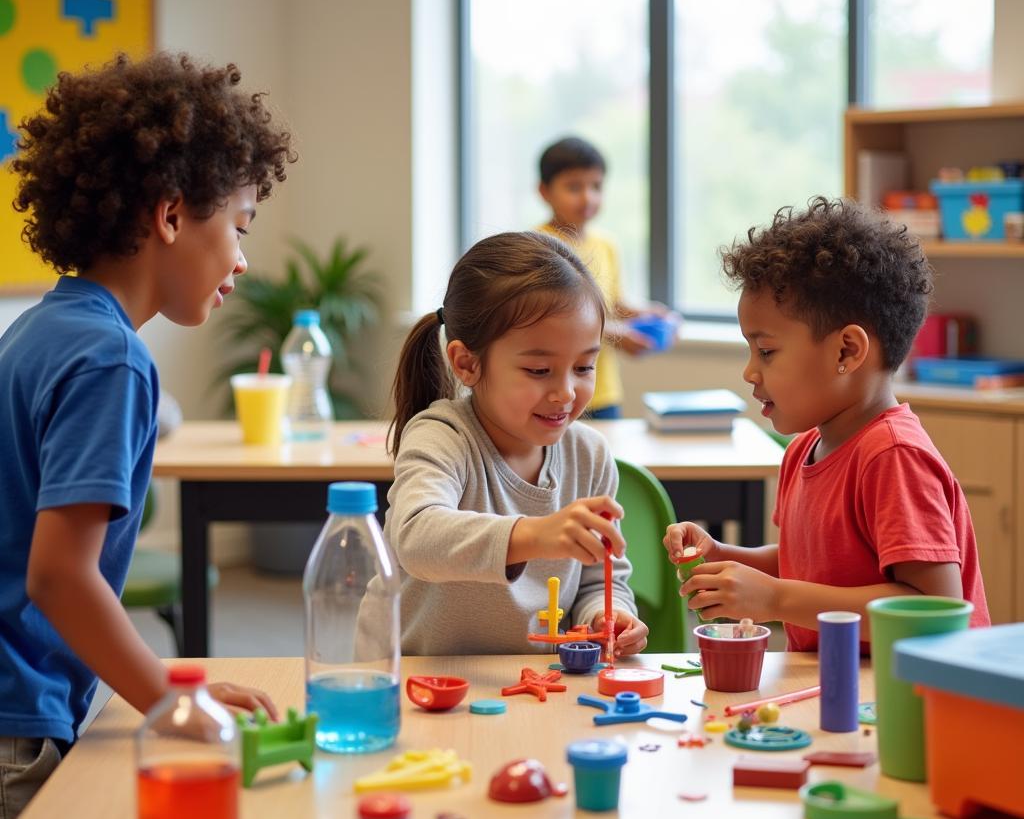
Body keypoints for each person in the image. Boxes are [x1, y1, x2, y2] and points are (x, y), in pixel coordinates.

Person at [0, 52, 295, 819]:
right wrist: (171, 702)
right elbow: (61, 577)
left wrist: (166, 677)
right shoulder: (111, 358)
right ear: (169, 216)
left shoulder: (42, 328)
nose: (241, 259)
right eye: (237, 227)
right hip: (16, 715)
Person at [664, 197, 990, 650]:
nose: (749, 372)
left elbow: (934, 609)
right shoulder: (804, 449)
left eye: (767, 351)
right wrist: (722, 557)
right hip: (846, 695)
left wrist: (776, 599)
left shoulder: (894, 457)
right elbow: (810, 565)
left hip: (913, 704)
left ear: (846, 351)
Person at [367, 230, 649, 657]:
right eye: (539, 370)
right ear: (467, 363)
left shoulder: (589, 456)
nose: (566, 392)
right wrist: (536, 534)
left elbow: (598, 577)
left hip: (520, 682)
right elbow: (415, 537)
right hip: (410, 678)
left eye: (584, 366)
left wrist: (606, 615)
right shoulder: (442, 436)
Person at [535, 136, 675, 419]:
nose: (588, 197)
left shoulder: (606, 245)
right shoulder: (539, 245)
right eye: (574, 187)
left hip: (604, 390)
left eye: (596, 186)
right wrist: (616, 334)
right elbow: (555, 319)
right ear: (544, 191)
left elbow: (614, 304)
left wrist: (649, 312)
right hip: (558, 390)